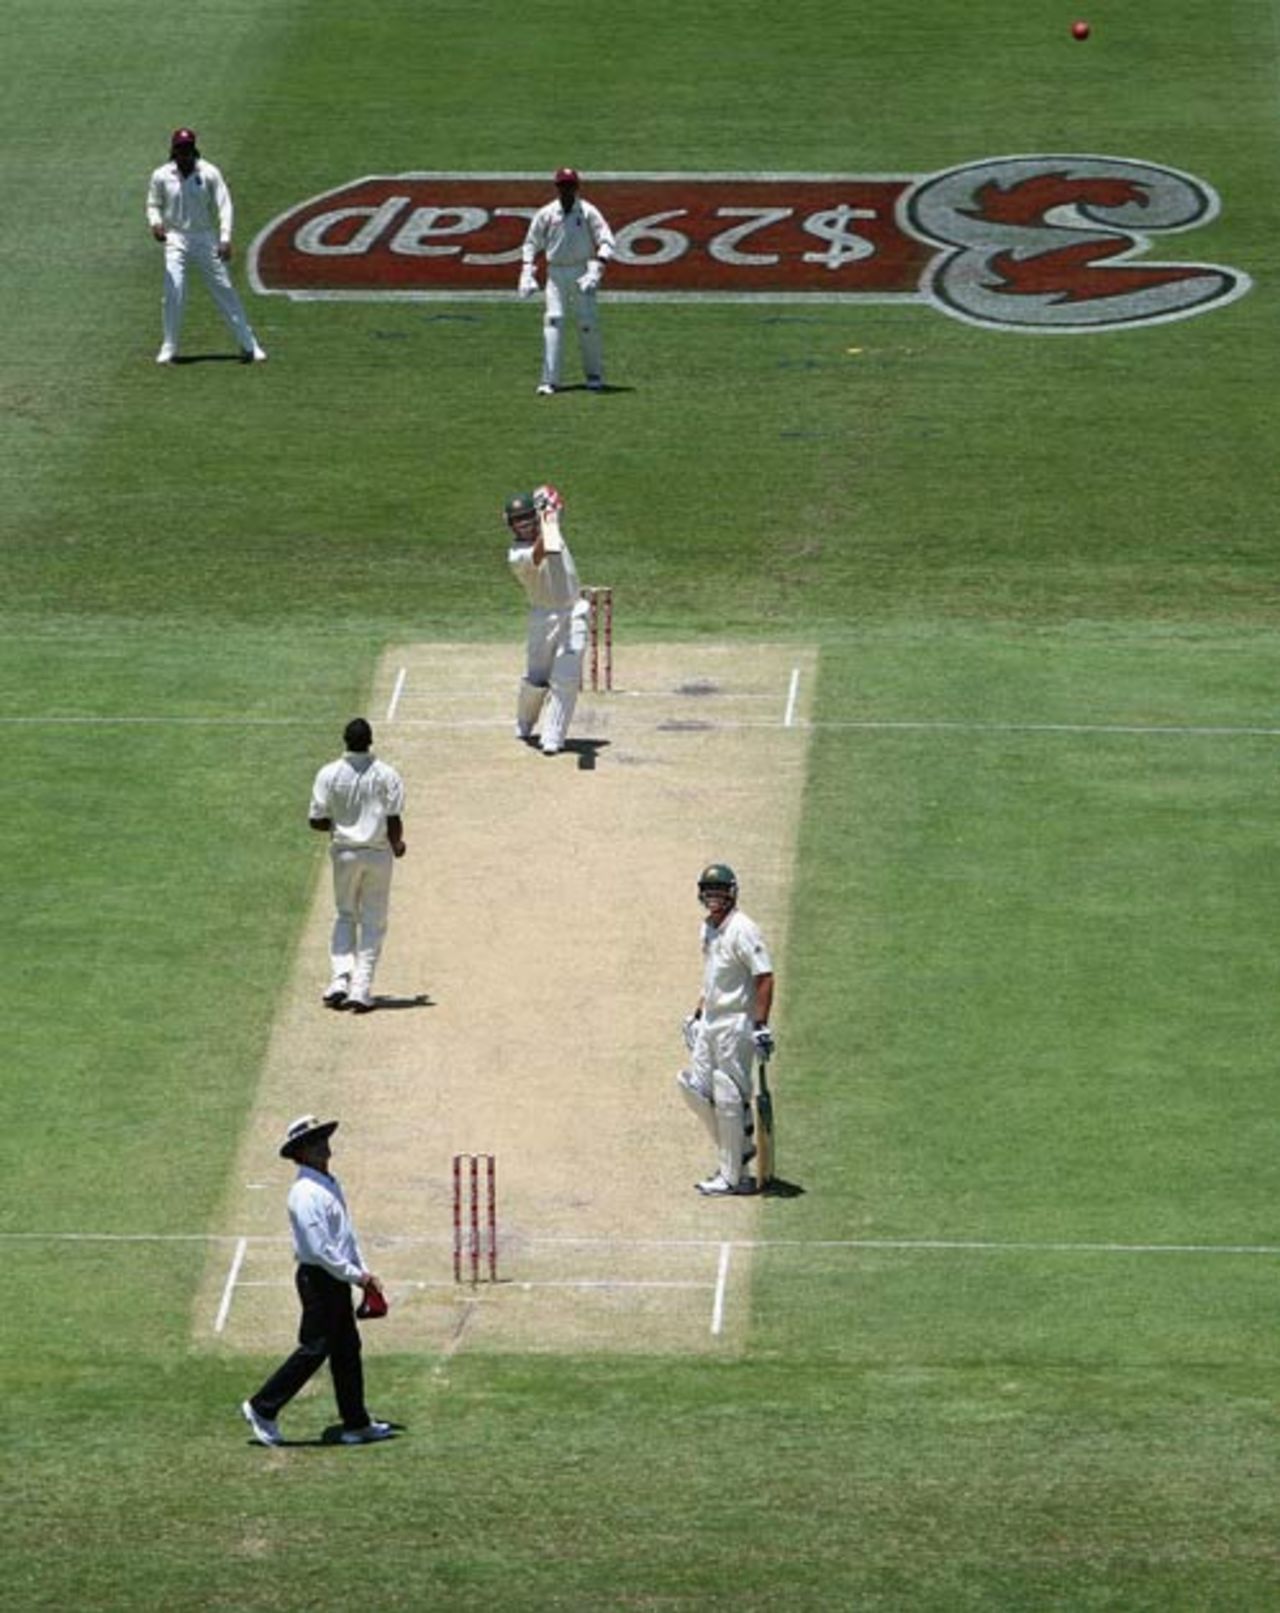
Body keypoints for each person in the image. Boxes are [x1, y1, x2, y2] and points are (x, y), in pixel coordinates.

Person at [240, 1115, 392, 1447]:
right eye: (314, 1142)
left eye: (322, 1138)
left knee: (346, 1348)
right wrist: (358, 1276)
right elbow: (320, 1249)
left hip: (334, 1277)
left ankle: (356, 1423)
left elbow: (344, 1237)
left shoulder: (327, 1183)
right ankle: (262, 1407)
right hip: (319, 1280)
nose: (323, 1145)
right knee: (315, 1348)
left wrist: (361, 1273)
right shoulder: (305, 1193)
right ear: (301, 1152)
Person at [677, 864, 776, 1196]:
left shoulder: (743, 929)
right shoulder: (707, 928)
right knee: (694, 1088)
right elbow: (712, 977)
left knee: (729, 1093)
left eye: (720, 891)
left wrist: (760, 1026)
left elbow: (764, 976)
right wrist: (698, 1014)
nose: (714, 898)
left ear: (732, 893)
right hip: (711, 1020)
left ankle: (734, 1176)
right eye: (709, 892)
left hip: (736, 1023)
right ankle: (739, 1152)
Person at [145, 127, 267, 365]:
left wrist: (225, 238)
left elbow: (224, 205)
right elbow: (153, 204)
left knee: (224, 288)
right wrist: (156, 224)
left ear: (194, 149)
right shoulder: (161, 175)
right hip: (175, 237)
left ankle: (249, 344)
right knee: (174, 290)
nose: (184, 154)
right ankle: (169, 346)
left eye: (188, 149)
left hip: (204, 237)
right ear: (173, 151)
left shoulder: (209, 172)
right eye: (180, 149)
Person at [309, 717, 406, 1012]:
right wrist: (397, 845)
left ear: (345, 741)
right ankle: (360, 989)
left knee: (345, 914)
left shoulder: (329, 773)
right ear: (370, 741)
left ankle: (340, 980)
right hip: (378, 854)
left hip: (344, 854)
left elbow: (316, 820)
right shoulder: (387, 774)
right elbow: (393, 818)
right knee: (373, 921)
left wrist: (341, 825)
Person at [505, 484, 589, 756]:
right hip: (543, 617)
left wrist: (550, 507)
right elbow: (543, 549)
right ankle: (525, 721)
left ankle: (553, 737)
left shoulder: (548, 524)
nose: (524, 524)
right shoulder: (516, 555)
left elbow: (554, 505)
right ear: (510, 525)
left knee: (567, 678)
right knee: (536, 679)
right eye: (518, 521)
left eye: (527, 517)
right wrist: (549, 517)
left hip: (574, 612)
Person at [518, 167, 616, 396]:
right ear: (557, 187)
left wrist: (597, 269)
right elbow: (531, 243)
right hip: (556, 273)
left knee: (587, 323)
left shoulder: (588, 211)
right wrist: (527, 271)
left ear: (576, 187)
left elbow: (607, 240)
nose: (566, 190)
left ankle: (594, 375)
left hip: (582, 271)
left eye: (570, 185)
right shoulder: (547, 213)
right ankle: (549, 380)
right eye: (563, 185)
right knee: (554, 321)